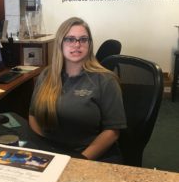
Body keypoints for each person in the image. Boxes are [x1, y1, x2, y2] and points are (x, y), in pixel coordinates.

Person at [29, 17, 126, 163]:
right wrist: (43, 148)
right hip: (51, 155)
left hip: (87, 157)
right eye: (70, 39)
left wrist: (78, 161)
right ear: (60, 44)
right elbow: (32, 115)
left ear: (89, 44)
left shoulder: (106, 80)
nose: (77, 45)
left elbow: (112, 132)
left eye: (83, 39)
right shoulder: (46, 75)